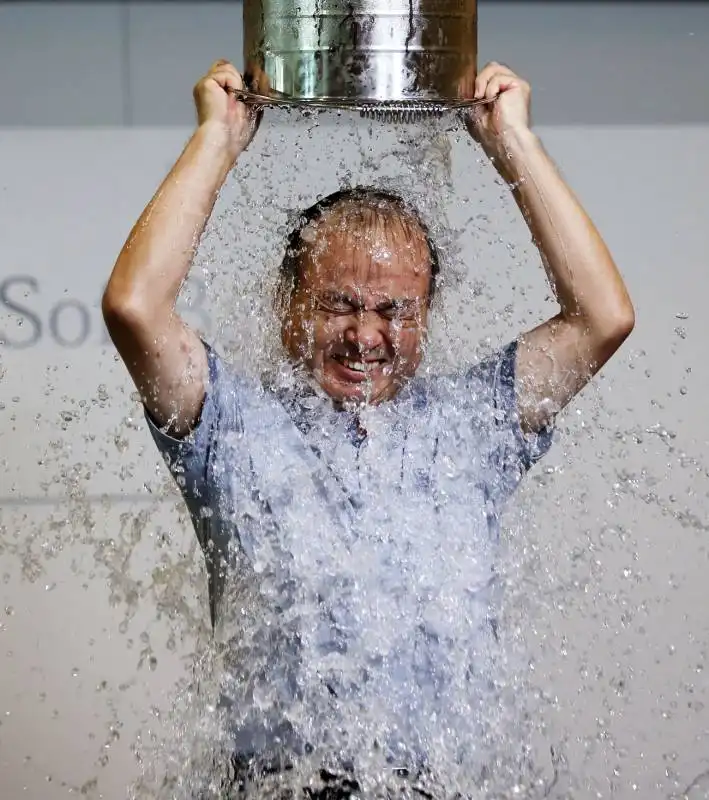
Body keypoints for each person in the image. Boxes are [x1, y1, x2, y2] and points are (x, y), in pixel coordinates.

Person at [103, 59, 634, 797]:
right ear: (287, 303)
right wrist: (215, 142)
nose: (365, 335)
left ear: (424, 316)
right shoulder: (232, 428)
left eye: (394, 311)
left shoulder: (468, 429)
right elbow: (134, 307)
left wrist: (510, 143)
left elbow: (600, 319)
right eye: (337, 303)